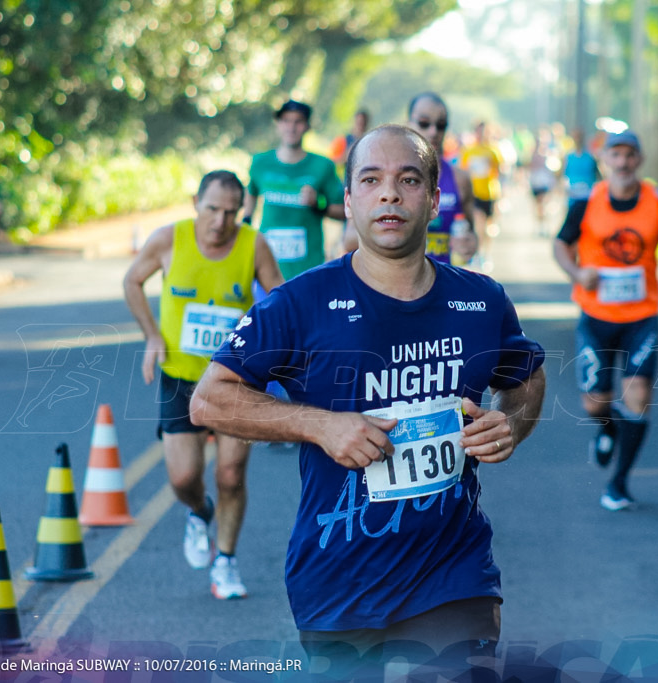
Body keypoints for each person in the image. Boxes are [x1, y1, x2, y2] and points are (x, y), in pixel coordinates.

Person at [190, 125, 546, 668]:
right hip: (339, 579)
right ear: (350, 201)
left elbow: (525, 377)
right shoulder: (300, 303)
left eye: (408, 180)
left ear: (433, 200)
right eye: (372, 180)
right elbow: (210, 400)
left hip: (453, 572)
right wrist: (320, 425)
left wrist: (510, 424)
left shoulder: (481, 301)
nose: (390, 194)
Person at [123, 170, 283, 598]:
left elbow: (280, 299)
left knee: (230, 474)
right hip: (181, 378)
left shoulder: (253, 244)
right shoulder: (167, 240)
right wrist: (152, 335)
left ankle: (226, 561)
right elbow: (132, 281)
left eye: (231, 212)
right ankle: (198, 511)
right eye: (212, 209)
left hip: (236, 381)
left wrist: (272, 351)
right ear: (196, 201)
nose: (220, 221)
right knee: (183, 478)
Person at [553, 130, 658, 511]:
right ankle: (606, 430)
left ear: (640, 159)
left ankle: (618, 483)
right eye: (616, 154)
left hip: (641, 318)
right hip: (596, 315)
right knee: (594, 402)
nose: (623, 162)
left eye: (630, 155)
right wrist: (576, 273)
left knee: (639, 397)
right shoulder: (586, 202)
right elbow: (560, 244)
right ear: (605, 160)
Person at [342, 92, 479, 264]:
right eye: (424, 123)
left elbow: (471, 234)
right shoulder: (382, 174)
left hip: (441, 282)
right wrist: (397, 228)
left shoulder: (460, 179)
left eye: (441, 125)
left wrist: (469, 244)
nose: (433, 131)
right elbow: (349, 240)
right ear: (408, 124)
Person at [244, 99, 346, 282]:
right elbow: (251, 192)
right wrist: (246, 220)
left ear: (307, 126)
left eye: (298, 121)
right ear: (278, 125)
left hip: (306, 270)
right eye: (286, 121)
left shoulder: (322, 166)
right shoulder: (260, 162)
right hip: (266, 267)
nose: (291, 127)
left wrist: (318, 204)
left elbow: (344, 211)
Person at [459, 120, 503, 257]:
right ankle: (478, 254)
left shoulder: (493, 150)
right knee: (479, 223)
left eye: (484, 131)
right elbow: (463, 171)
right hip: (475, 193)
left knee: (488, 228)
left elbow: (500, 170)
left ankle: (486, 253)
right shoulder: (469, 150)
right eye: (479, 131)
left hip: (490, 192)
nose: (482, 134)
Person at [560, 127, 600, 210]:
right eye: (576, 137)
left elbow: (598, 176)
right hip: (572, 196)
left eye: (579, 137)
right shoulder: (568, 157)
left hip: (587, 196)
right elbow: (563, 175)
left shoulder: (591, 157)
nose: (577, 139)